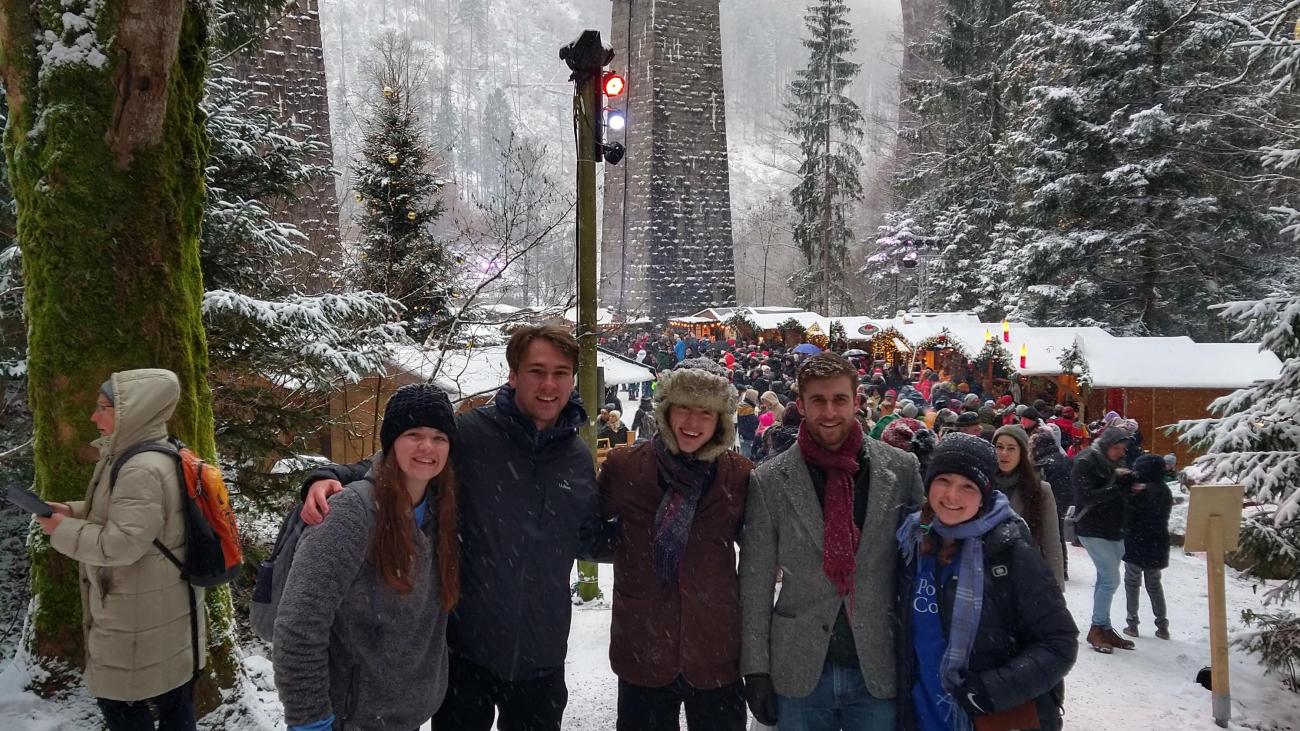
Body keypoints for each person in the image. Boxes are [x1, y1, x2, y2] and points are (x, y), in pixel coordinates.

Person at [299, 325, 603, 731]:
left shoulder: (578, 458)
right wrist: (328, 474)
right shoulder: (472, 435)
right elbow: (405, 461)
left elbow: (587, 535)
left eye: (560, 372)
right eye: (536, 371)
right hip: (465, 654)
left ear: (572, 379)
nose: (548, 384)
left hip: (542, 658)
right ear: (513, 376)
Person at [740, 353, 924, 731]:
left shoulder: (901, 470)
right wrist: (755, 668)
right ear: (801, 405)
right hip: (800, 665)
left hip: (877, 661)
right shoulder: (770, 481)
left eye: (839, 399)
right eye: (818, 401)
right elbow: (755, 582)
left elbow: (921, 568)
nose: (829, 412)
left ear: (857, 401)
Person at [274, 384, 459, 731]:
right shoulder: (351, 512)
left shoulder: (441, 510)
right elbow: (299, 624)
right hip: (348, 718)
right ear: (390, 443)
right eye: (413, 434)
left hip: (405, 716)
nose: (427, 447)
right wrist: (310, 721)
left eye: (439, 437)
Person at [37, 369, 203, 731]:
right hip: (164, 609)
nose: (94, 417)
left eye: (103, 408)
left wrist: (60, 530)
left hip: (136, 620)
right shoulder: (160, 453)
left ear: (133, 411)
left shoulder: (140, 468)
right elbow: (134, 517)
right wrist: (72, 511)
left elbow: (121, 545)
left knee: (123, 708)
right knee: (175, 703)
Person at [599, 359, 754, 730]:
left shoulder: (739, 475)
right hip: (643, 647)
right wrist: (630, 553)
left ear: (720, 420)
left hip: (716, 650)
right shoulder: (625, 466)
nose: (692, 422)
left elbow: (759, 548)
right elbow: (591, 531)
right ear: (666, 410)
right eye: (683, 407)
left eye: (705, 411)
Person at [897, 434, 1077, 731]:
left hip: (986, 718)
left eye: (968, 486)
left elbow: (1060, 643)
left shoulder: (1007, 553)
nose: (952, 495)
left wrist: (990, 690)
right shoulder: (910, 541)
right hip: (920, 715)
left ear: (984, 494)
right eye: (943, 480)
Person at [1072, 426, 1138, 654]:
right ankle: (1097, 627)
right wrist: (1115, 487)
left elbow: (1117, 492)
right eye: (1117, 448)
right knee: (1110, 580)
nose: (1121, 452)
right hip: (1092, 527)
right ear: (1106, 445)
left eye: (1123, 448)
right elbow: (1086, 496)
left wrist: (1130, 488)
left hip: (1113, 528)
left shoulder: (1116, 461)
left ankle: (1105, 626)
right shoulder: (1086, 461)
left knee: (1105, 579)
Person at [991, 425, 1065, 588]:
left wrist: (1056, 587)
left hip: (1024, 574)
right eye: (999, 447)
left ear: (1022, 453)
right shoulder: (982, 485)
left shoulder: (1040, 490)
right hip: (987, 574)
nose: (1004, 453)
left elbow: (1051, 542)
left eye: (1011, 448)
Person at [1122, 454, 1172, 640]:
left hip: (1136, 541)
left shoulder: (1141, 491)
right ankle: (1162, 625)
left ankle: (1132, 623)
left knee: (1132, 583)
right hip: (1158, 542)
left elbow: (1129, 514)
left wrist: (1128, 496)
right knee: (1154, 585)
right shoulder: (1164, 490)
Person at [1031, 430, 1074, 582]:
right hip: (1064, 500)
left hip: (1053, 500)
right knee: (1058, 535)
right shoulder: (1063, 458)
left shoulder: (1043, 462)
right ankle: (1063, 567)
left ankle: (1056, 567)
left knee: (1051, 534)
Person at [738, 389, 760, 457]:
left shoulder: (741, 405)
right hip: (749, 437)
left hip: (742, 435)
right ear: (752, 397)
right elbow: (753, 424)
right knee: (748, 457)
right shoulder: (748, 410)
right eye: (755, 397)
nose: (756, 399)